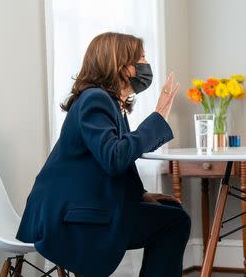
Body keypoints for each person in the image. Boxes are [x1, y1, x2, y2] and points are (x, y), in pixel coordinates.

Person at [16, 32, 189, 277]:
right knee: (175, 223)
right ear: (120, 65)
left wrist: (142, 195)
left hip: (83, 206)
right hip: (69, 216)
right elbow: (115, 157)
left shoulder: (111, 104)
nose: (145, 64)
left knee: (174, 216)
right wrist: (158, 117)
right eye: (141, 58)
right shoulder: (95, 99)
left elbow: (115, 162)